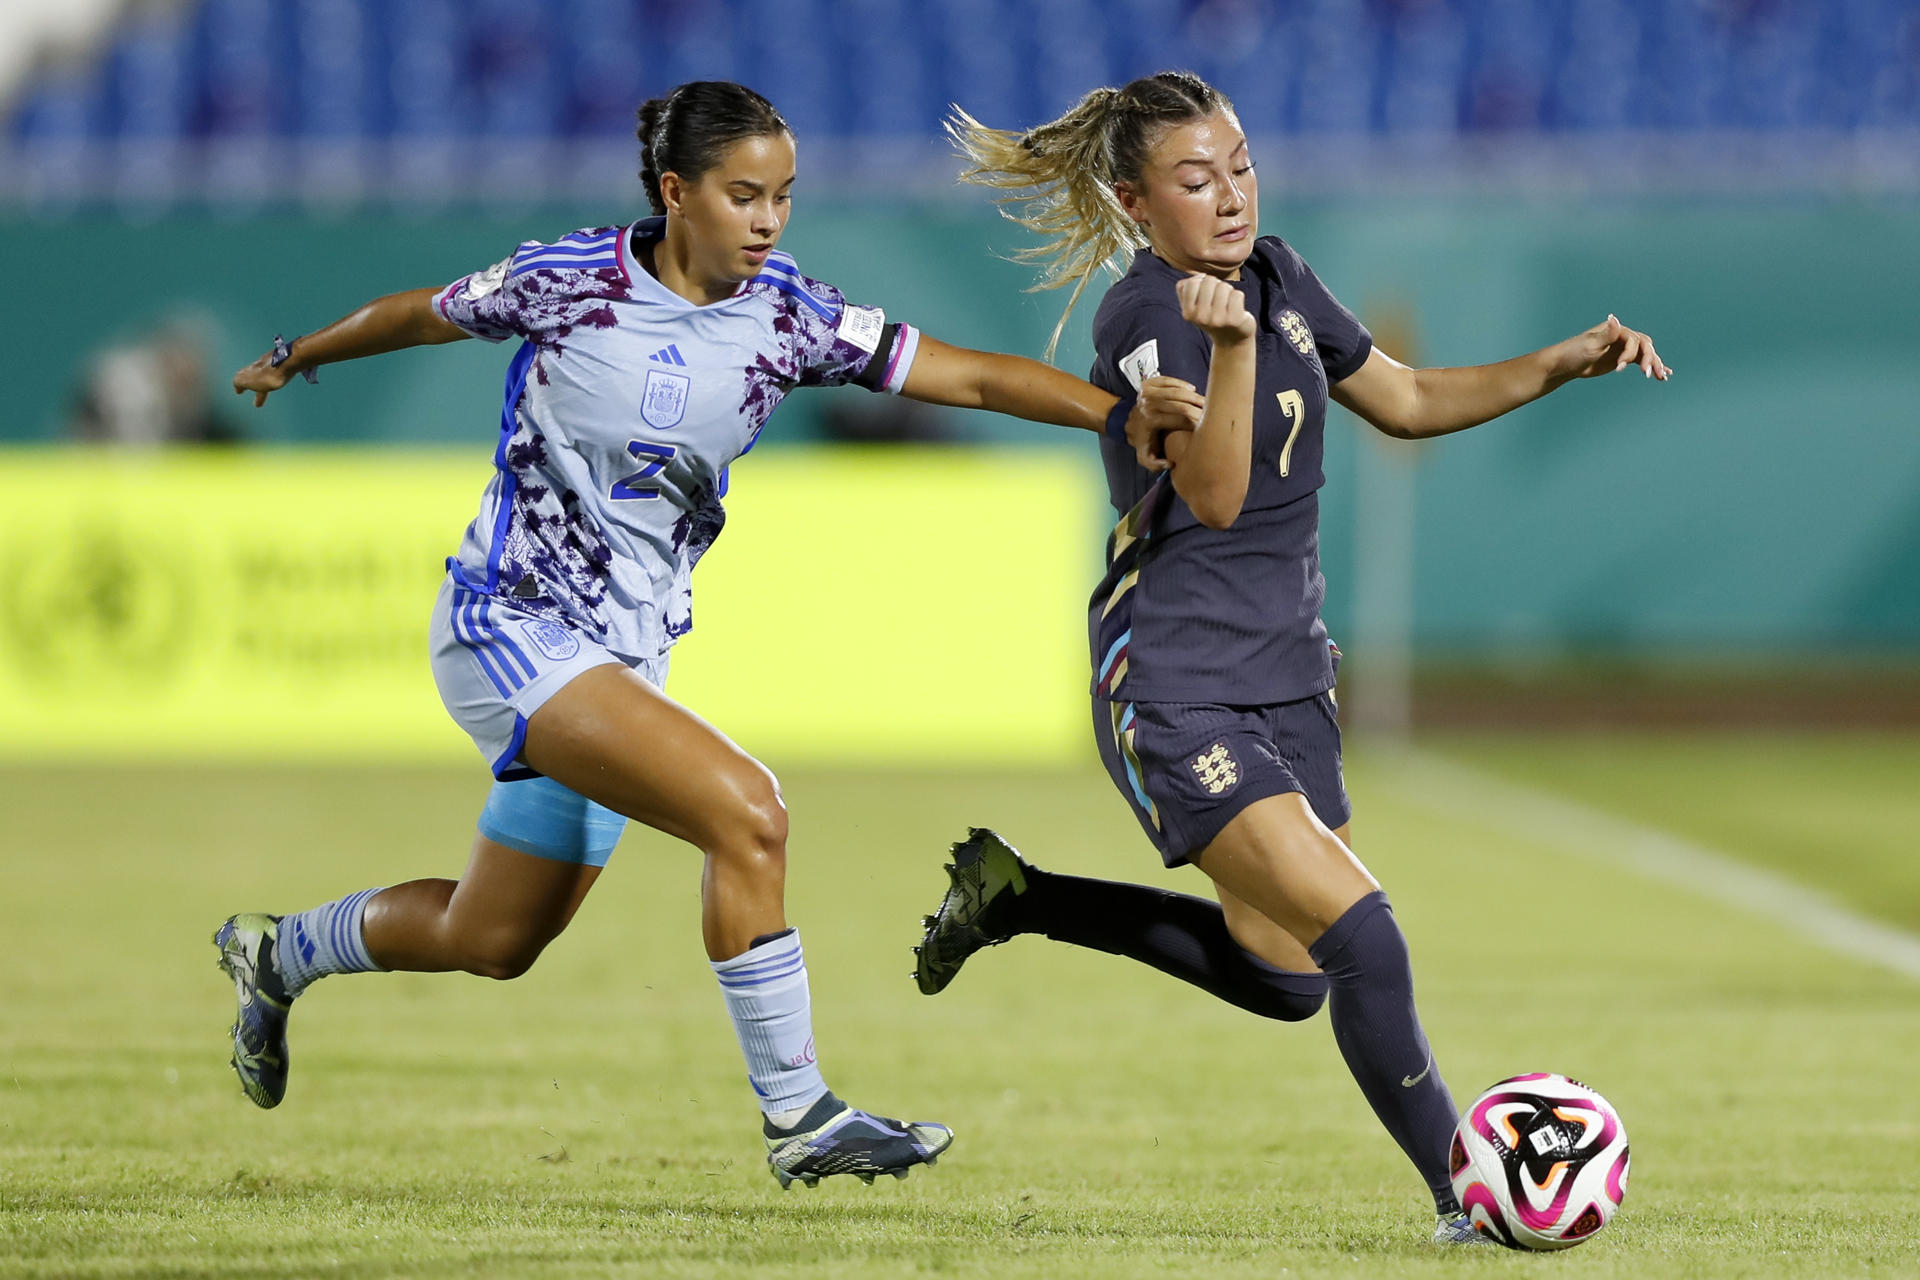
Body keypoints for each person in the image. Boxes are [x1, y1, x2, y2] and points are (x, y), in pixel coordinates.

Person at [213, 79, 1183, 1190]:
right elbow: (425, 310)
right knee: (749, 811)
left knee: (493, 939)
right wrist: (303, 350)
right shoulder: (570, 282)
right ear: (676, 193)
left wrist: (1112, 413)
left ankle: (276, 953)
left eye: (783, 196)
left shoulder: (791, 316)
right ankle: (800, 1113)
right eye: (743, 195)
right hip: (510, 623)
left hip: (621, 658)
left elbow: (963, 371)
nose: (769, 219)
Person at [912, 71, 1669, 1242]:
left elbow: (1408, 399)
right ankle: (1467, 1196)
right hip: (1175, 680)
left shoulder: (1281, 275)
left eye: (1242, 164)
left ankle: (1021, 897)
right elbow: (1211, 500)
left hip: (1289, 673)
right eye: (1195, 177)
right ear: (1136, 199)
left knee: (1292, 976)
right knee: (1367, 937)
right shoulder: (1150, 317)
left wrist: (1555, 364)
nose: (1230, 195)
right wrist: (1225, 358)